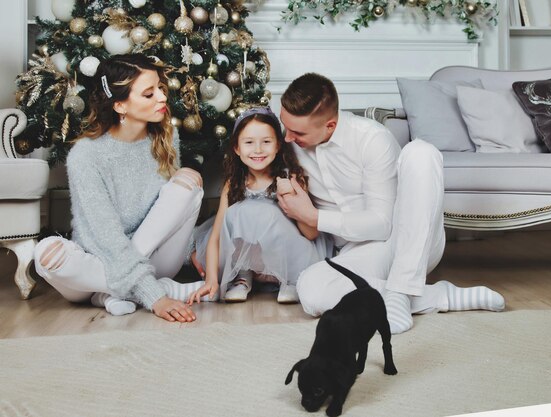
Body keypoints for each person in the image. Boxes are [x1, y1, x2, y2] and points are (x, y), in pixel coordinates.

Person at [277, 73, 505, 334]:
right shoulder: (292, 146)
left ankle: (402, 287)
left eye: (297, 132)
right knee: (311, 289)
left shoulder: (371, 138)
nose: (288, 138)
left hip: (408, 241)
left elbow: (382, 225)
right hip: (359, 254)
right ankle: (437, 297)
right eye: (286, 127)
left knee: (421, 152)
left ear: (329, 125)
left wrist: (314, 217)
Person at [33, 54, 211, 322]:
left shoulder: (165, 137)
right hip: (100, 258)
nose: (162, 98)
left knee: (187, 183)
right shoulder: (86, 155)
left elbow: (165, 216)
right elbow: (104, 236)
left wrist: (190, 251)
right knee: (46, 254)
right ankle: (155, 289)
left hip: (154, 259)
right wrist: (156, 296)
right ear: (120, 106)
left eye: (160, 89)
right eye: (149, 94)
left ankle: (107, 294)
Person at [188, 107, 331, 305]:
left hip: (291, 255)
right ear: (237, 148)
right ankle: (243, 274)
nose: (257, 150)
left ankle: (290, 279)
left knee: (266, 213)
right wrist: (211, 280)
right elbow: (216, 236)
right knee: (239, 212)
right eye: (248, 143)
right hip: (255, 261)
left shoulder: (291, 177)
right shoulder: (234, 183)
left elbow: (311, 233)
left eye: (266, 142)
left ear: (278, 145)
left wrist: (289, 195)